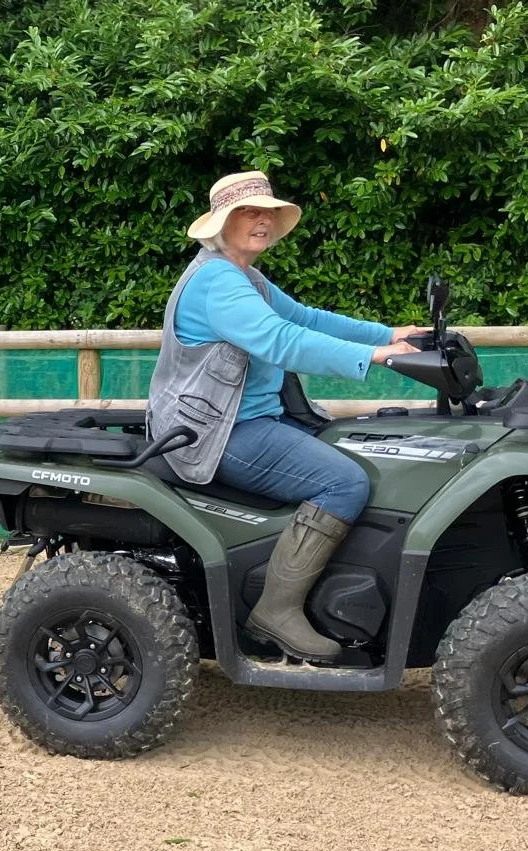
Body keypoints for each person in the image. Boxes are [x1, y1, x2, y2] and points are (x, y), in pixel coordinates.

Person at [147, 170, 424, 663]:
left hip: (251, 420)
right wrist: (377, 355)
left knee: (351, 445)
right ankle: (276, 609)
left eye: (268, 212)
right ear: (222, 223)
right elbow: (281, 340)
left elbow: (306, 319)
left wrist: (389, 333)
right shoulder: (217, 281)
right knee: (344, 483)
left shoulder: (244, 277)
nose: (263, 221)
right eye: (248, 212)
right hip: (218, 433)